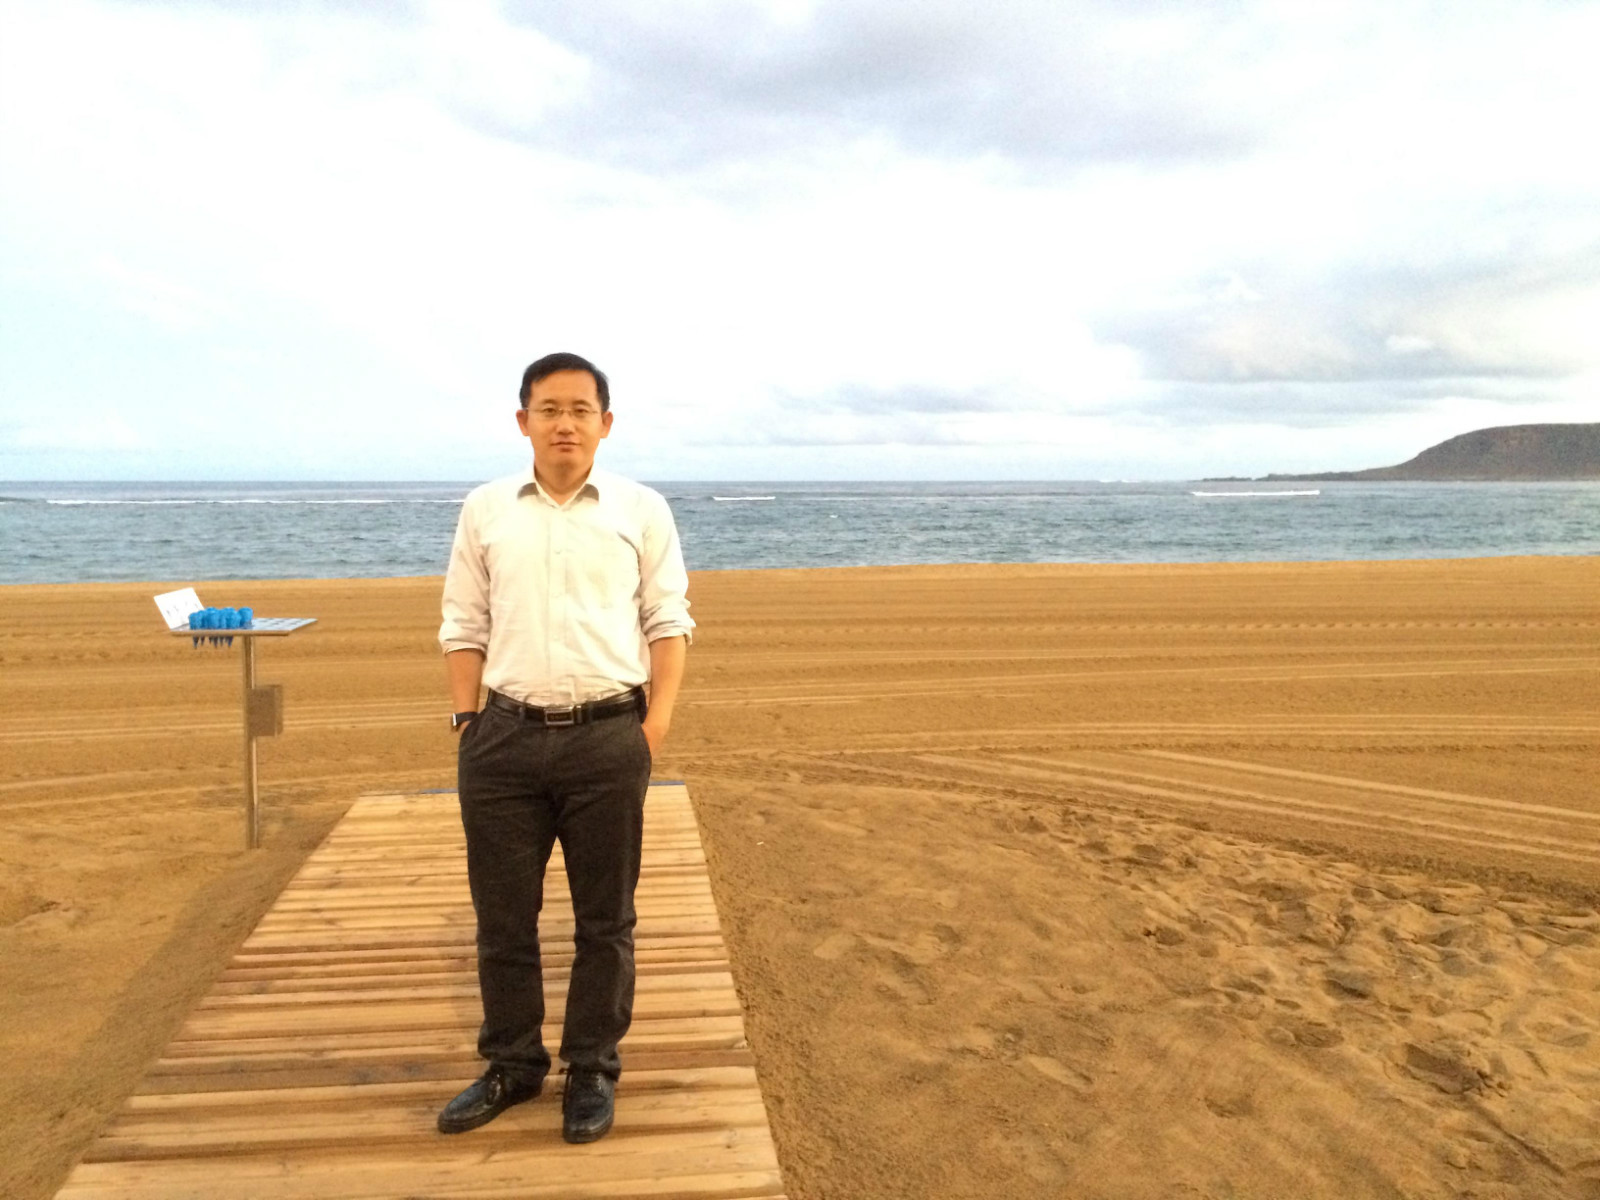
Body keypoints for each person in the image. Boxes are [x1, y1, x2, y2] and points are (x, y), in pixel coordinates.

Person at [435, 351, 693, 1144]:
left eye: (581, 410)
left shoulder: (641, 509)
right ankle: (513, 1064)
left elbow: (668, 622)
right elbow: (463, 623)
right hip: (503, 741)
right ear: (524, 421)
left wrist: (652, 730)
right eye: (549, 409)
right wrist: (467, 725)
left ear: (605, 424)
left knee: (605, 920)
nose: (565, 424)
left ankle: (591, 1068)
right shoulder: (486, 509)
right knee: (503, 919)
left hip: (609, 738)